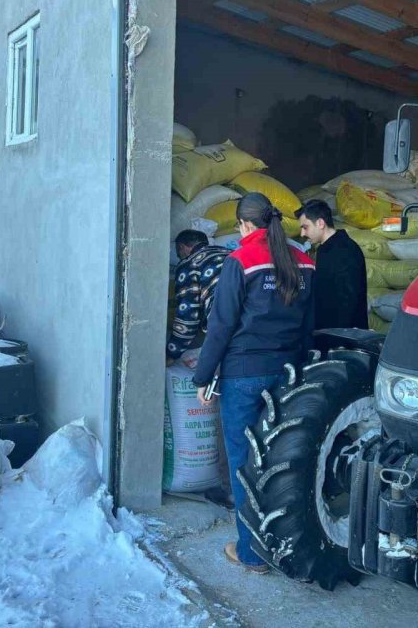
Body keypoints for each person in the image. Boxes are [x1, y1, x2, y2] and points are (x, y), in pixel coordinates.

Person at [193, 192, 315, 574]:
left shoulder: (240, 260)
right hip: (288, 373)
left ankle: (252, 552)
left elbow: (222, 325)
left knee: (243, 463)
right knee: (282, 460)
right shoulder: (305, 262)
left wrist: (203, 375)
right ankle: (285, 541)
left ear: (244, 225)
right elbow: (309, 324)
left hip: (244, 375)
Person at [295, 199, 368, 330]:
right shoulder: (325, 249)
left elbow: (348, 301)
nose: (302, 234)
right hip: (328, 333)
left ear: (320, 223)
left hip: (342, 337)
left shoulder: (346, 251)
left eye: (305, 227)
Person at [166, 230, 230, 364]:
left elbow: (188, 314)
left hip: (228, 328)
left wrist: (172, 352)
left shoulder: (189, 264)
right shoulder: (230, 254)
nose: (180, 257)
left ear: (182, 248)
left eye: (179, 254)